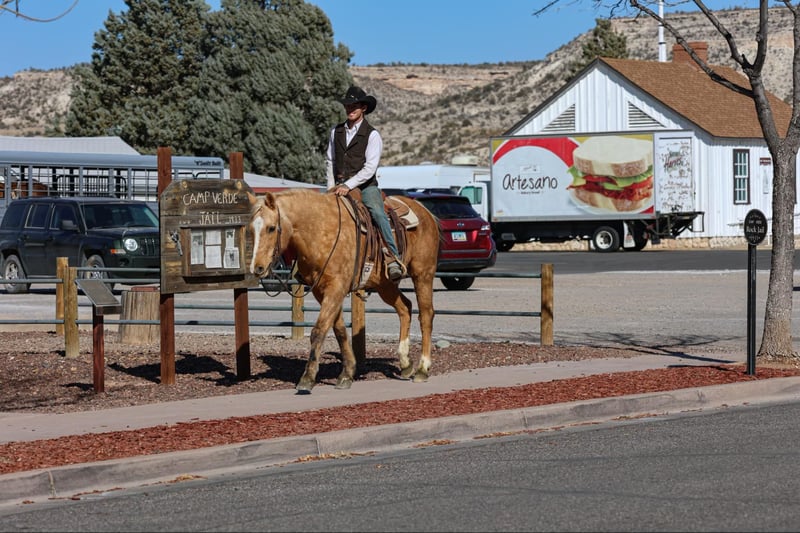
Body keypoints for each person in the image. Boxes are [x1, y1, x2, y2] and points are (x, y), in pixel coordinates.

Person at [326, 86, 405, 282]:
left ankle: (392, 257)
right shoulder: (336, 131)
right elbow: (330, 161)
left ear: (363, 108)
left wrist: (348, 185)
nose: (350, 109)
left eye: (354, 105)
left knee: (377, 212)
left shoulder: (372, 135)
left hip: (365, 186)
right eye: (348, 105)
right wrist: (330, 187)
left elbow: (370, 168)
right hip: (339, 185)